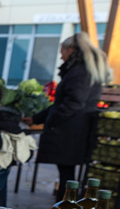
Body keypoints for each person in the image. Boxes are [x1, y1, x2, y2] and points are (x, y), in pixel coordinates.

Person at [24, 32, 111, 199]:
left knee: (66, 173)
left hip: (71, 130)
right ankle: (66, 203)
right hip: (76, 128)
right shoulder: (84, 70)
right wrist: (37, 118)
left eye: (62, 51)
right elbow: (65, 102)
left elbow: (73, 102)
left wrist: (52, 120)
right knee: (67, 172)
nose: (61, 56)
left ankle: (65, 206)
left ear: (70, 50)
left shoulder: (79, 72)